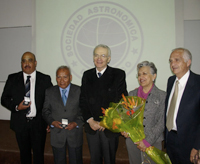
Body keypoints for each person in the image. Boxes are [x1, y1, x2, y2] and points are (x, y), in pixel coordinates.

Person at [1, 52, 53, 164]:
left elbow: (51, 101)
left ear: (35, 63)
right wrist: (16, 107)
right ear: (21, 63)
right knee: (24, 155)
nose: (27, 63)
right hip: (20, 124)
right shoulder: (13, 78)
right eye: (24, 61)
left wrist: (50, 120)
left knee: (39, 156)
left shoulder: (45, 79)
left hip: (38, 124)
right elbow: (4, 99)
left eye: (30, 60)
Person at [80, 44, 128, 164]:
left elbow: (121, 101)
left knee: (109, 161)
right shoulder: (87, 75)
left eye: (103, 55)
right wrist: (90, 121)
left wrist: (105, 122)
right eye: (96, 55)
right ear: (93, 57)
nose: (99, 58)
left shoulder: (118, 74)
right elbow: (83, 100)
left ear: (109, 58)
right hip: (92, 128)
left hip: (110, 128)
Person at [121, 61, 166, 164]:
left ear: (154, 76)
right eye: (139, 74)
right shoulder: (132, 94)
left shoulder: (162, 96)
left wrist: (146, 141)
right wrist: (124, 129)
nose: (141, 77)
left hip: (153, 142)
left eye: (145, 74)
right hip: (133, 142)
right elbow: (126, 118)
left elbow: (162, 122)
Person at [165, 48, 200, 163]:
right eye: (170, 61)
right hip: (170, 139)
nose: (172, 64)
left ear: (188, 62)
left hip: (190, 144)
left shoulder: (198, 83)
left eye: (177, 60)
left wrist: (197, 146)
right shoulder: (170, 81)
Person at [42, 66, 84, 164]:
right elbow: (45, 111)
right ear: (56, 78)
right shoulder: (49, 91)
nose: (61, 80)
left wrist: (76, 123)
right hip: (57, 134)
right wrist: (52, 122)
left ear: (71, 77)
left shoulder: (79, 91)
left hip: (75, 133)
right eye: (59, 77)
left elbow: (84, 111)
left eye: (65, 77)